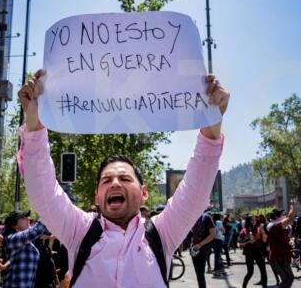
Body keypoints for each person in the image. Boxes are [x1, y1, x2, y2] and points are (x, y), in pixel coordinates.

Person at [17, 70, 229, 287]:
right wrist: (34, 122)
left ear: (144, 192)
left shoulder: (163, 232)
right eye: (106, 180)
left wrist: (212, 123)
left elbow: (195, 190)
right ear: (97, 197)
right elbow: (43, 192)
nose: (115, 183)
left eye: (125, 179)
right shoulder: (78, 230)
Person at [2, 210, 49, 288]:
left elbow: (45, 229)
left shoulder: (25, 241)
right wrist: (49, 211)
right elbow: (35, 231)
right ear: (14, 225)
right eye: (23, 217)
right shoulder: (12, 239)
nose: (28, 219)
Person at [268, 200, 296, 288]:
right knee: (287, 279)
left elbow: (287, 238)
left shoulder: (283, 227)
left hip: (284, 256)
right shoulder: (274, 226)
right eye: (283, 214)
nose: (284, 215)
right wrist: (292, 205)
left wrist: (291, 240)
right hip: (277, 257)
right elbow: (290, 218)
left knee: (289, 278)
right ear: (277, 216)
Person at [239, 215, 267, 288]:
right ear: (248, 221)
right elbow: (240, 243)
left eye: (255, 220)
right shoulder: (244, 230)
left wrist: (263, 233)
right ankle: (244, 286)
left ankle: (265, 286)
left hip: (258, 251)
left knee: (263, 270)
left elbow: (264, 240)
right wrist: (248, 241)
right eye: (252, 220)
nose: (254, 221)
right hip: (249, 252)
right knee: (250, 272)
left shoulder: (259, 229)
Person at [190, 210, 216, 287]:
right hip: (194, 250)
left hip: (203, 249)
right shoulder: (191, 218)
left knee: (200, 274)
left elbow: (213, 234)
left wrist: (200, 244)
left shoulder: (206, 217)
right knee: (198, 274)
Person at [212, 212, 226, 277]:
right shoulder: (219, 222)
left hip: (213, 240)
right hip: (219, 240)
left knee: (216, 255)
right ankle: (216, 270)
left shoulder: (212, 222)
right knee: (217, 256)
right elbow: (223, 231)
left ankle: (218, 269)